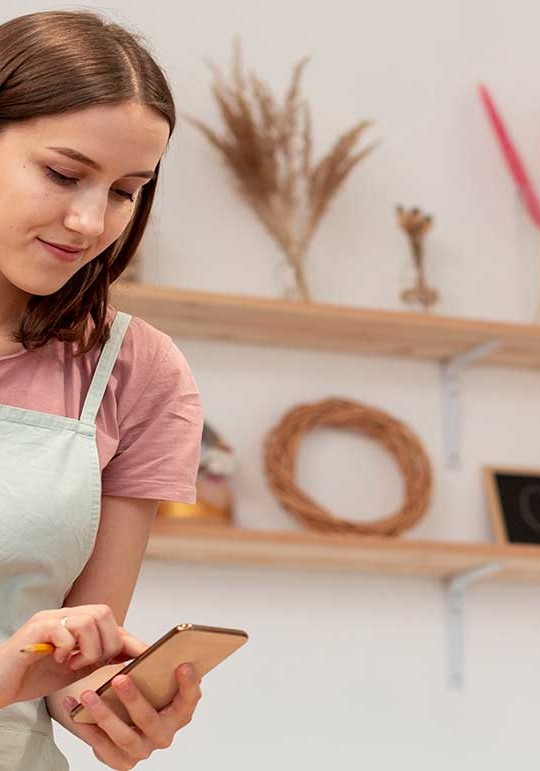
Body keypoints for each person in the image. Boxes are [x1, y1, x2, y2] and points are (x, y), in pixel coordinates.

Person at [0, 9, 206, 770]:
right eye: (63, 173)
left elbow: (66, 668)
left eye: (126, 190)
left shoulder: (136, 372)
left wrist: (110, 703)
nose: (92, 221)